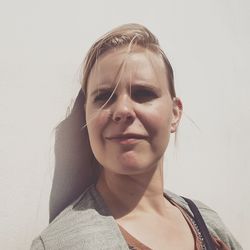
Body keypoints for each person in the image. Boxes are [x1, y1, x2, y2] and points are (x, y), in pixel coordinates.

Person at [31, 23, 242, 250]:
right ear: (86, 117)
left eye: (143, 93)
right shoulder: (60, 244)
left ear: (175, 113)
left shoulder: (205, 221)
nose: (122, 110)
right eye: (104, 97)